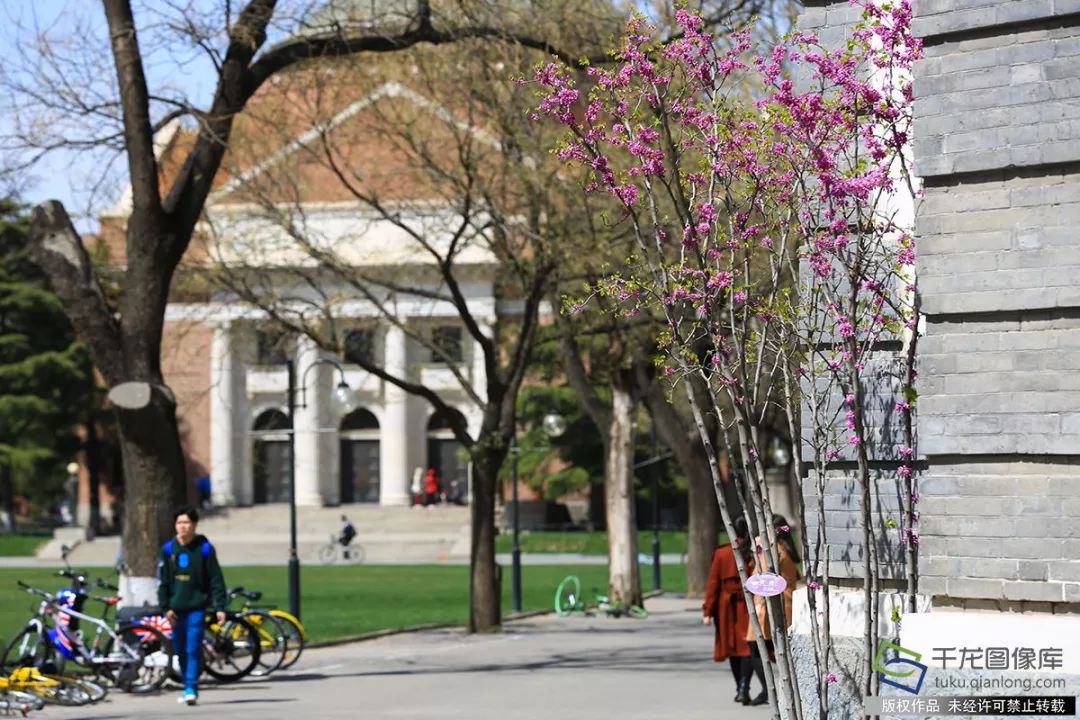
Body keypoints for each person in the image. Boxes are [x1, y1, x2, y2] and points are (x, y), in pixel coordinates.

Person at [157, 506, 226, 707]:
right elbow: (164, 582)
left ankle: (191, 687)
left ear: (194, 525)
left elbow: (216, 579)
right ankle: (188, 683)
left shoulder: (204, 549)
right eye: (179, 523)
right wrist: (165, 607)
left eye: (186, 523)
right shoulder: (168, 550)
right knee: (180, 650)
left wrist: (220, 606)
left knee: (193, 647)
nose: (182, 527)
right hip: (175, 608)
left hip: (197, 606)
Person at [743, 513, 802, 707]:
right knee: (774, 649)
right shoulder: (785, 550)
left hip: (767, 607)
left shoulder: (773, 552)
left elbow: (761, 578)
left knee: (758, 650)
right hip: (785, 605)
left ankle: (767, 690)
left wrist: (758, 551)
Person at [702, 516, 753, 704]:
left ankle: (739, 686)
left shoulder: (722, 552)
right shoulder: (752, 551)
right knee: (747, 646)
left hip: (726, 607)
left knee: (732, 647)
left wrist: (708, 610)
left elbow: (713, 583)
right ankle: (744, 686)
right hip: (748, 604)